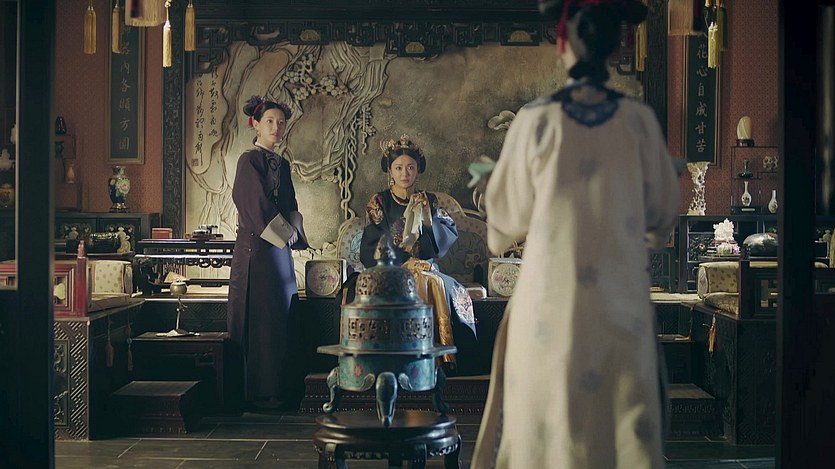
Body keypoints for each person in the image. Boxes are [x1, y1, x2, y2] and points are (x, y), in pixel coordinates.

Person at [471, 0, 680, 467]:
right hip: (621, 308)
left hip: (548, 310)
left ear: (563, 43)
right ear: (614, 45)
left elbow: (502, 226)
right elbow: (663, 217)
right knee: (622, 440)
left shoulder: (536, 120)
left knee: (545, 440)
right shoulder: (639, 122)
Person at [359, 135, 477, 375]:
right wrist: (401, 259)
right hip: (391, 269)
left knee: (434, 282)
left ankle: (440, 360)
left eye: (410, 167)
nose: (405, 173)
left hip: (426, 267)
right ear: (390, 171)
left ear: (418, 170)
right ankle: (400, 359)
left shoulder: (429, 200)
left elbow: (443, 238)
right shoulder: (379, 202)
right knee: (409, 282)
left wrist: (428, 218)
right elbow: (372, 245)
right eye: (399, 168)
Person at [227, 95, 309, 410]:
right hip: (256, 251)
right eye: (270, 122)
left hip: (279, 251)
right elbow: (254, 204)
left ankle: (281, 388)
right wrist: (286, 234)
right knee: (261, 318)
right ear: (256, 125)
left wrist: (295, 228)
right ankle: (257, 392)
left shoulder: (282, 164)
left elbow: (290, 203)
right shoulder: (249, 161)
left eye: (281, 122)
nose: (276, 127)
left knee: (281, 315)